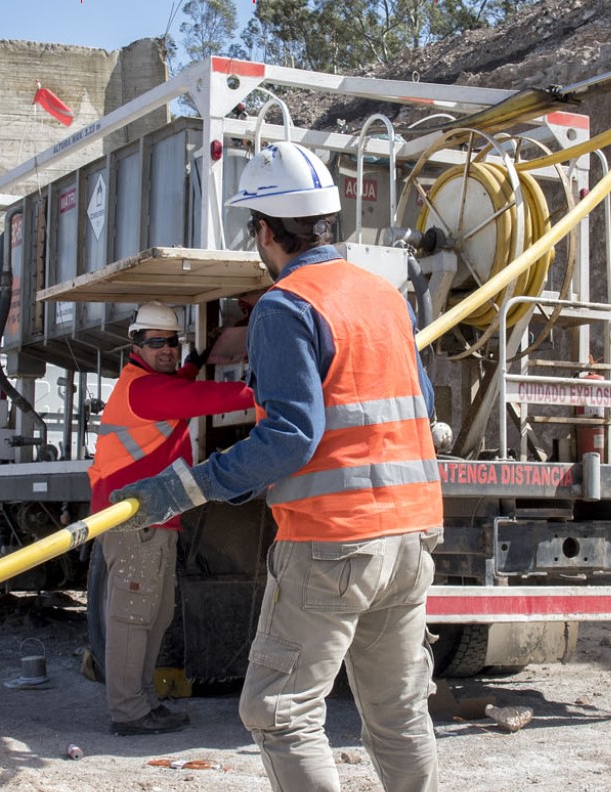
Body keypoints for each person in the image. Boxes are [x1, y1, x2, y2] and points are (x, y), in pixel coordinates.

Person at [112, 142, 444, 791]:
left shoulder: (287, 305)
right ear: (327, 221)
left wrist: (186, 487)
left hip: (334, 540)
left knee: (278, 710)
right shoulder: (383, 295)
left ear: (263, 231)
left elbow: (289, 437)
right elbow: (421, 405)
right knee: (395, 708)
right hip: (411, 535)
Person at [88, 301, 255, 736]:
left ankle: (143, 702)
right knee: (132, 618)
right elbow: (199, 397)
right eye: (157, 342)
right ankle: (128, 712)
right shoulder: (143, 389)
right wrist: (264, 394)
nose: (167, 350)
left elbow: (182, 382)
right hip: (132, 524)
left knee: (155, 616)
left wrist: (198, 358)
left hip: (154, 519)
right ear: (137, 344)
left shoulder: (156, 382)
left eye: (174, 342)